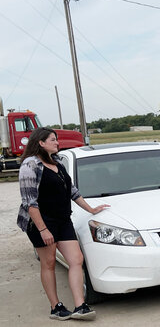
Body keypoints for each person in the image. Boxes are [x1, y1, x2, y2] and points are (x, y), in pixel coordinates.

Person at [16, 127, 109, 321]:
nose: (57, 143)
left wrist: (91, 209)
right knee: (48, 263)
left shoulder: (57, 162)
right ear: (41, 143)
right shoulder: (30, 165)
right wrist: (42, 229)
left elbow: (72, 191)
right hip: (42, 222)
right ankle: (56, 307)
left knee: (76, 260)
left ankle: (80, 305)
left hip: (63, 219)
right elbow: (29, 202)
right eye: (53, 140)